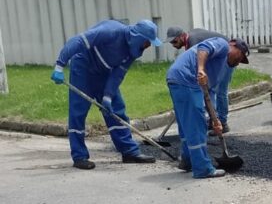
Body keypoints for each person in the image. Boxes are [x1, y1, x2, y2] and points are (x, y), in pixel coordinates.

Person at [50, 19, 162, 169]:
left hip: (104, 72)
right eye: (147, 42)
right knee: (78, 112)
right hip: (83, 68)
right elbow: (78, 41)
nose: (148, 46)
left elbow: (118, 74)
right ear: (138, 37)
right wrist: (59, 65)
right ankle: (79, 156)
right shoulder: (110, 32)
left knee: (116, 109)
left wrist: (108, 97)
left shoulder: (132, 51)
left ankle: (129, 151)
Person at [165, 37, 249, 178]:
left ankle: (188, 161)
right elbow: (203, 47)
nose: (238, 62)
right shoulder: (223, 44)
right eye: (241, 56)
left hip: (176, 78)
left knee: (187, 124)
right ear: (234, 46)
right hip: (187, 78)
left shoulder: (218, 70)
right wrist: (201, 69)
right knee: (197, 125)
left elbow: (208, 95)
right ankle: (202, 168)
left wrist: (215, 120)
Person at [165, 26, 233, 134]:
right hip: (214, 57)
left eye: (175, 41)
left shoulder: (194, 41)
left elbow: (199, 62)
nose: (173, 44)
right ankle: (214, 120)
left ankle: (222, 123)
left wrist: (200, 72)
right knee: (209, 88)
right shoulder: (190, 41)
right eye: (171, 42)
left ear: (182, 36)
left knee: (220, 90)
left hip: (227, 54)